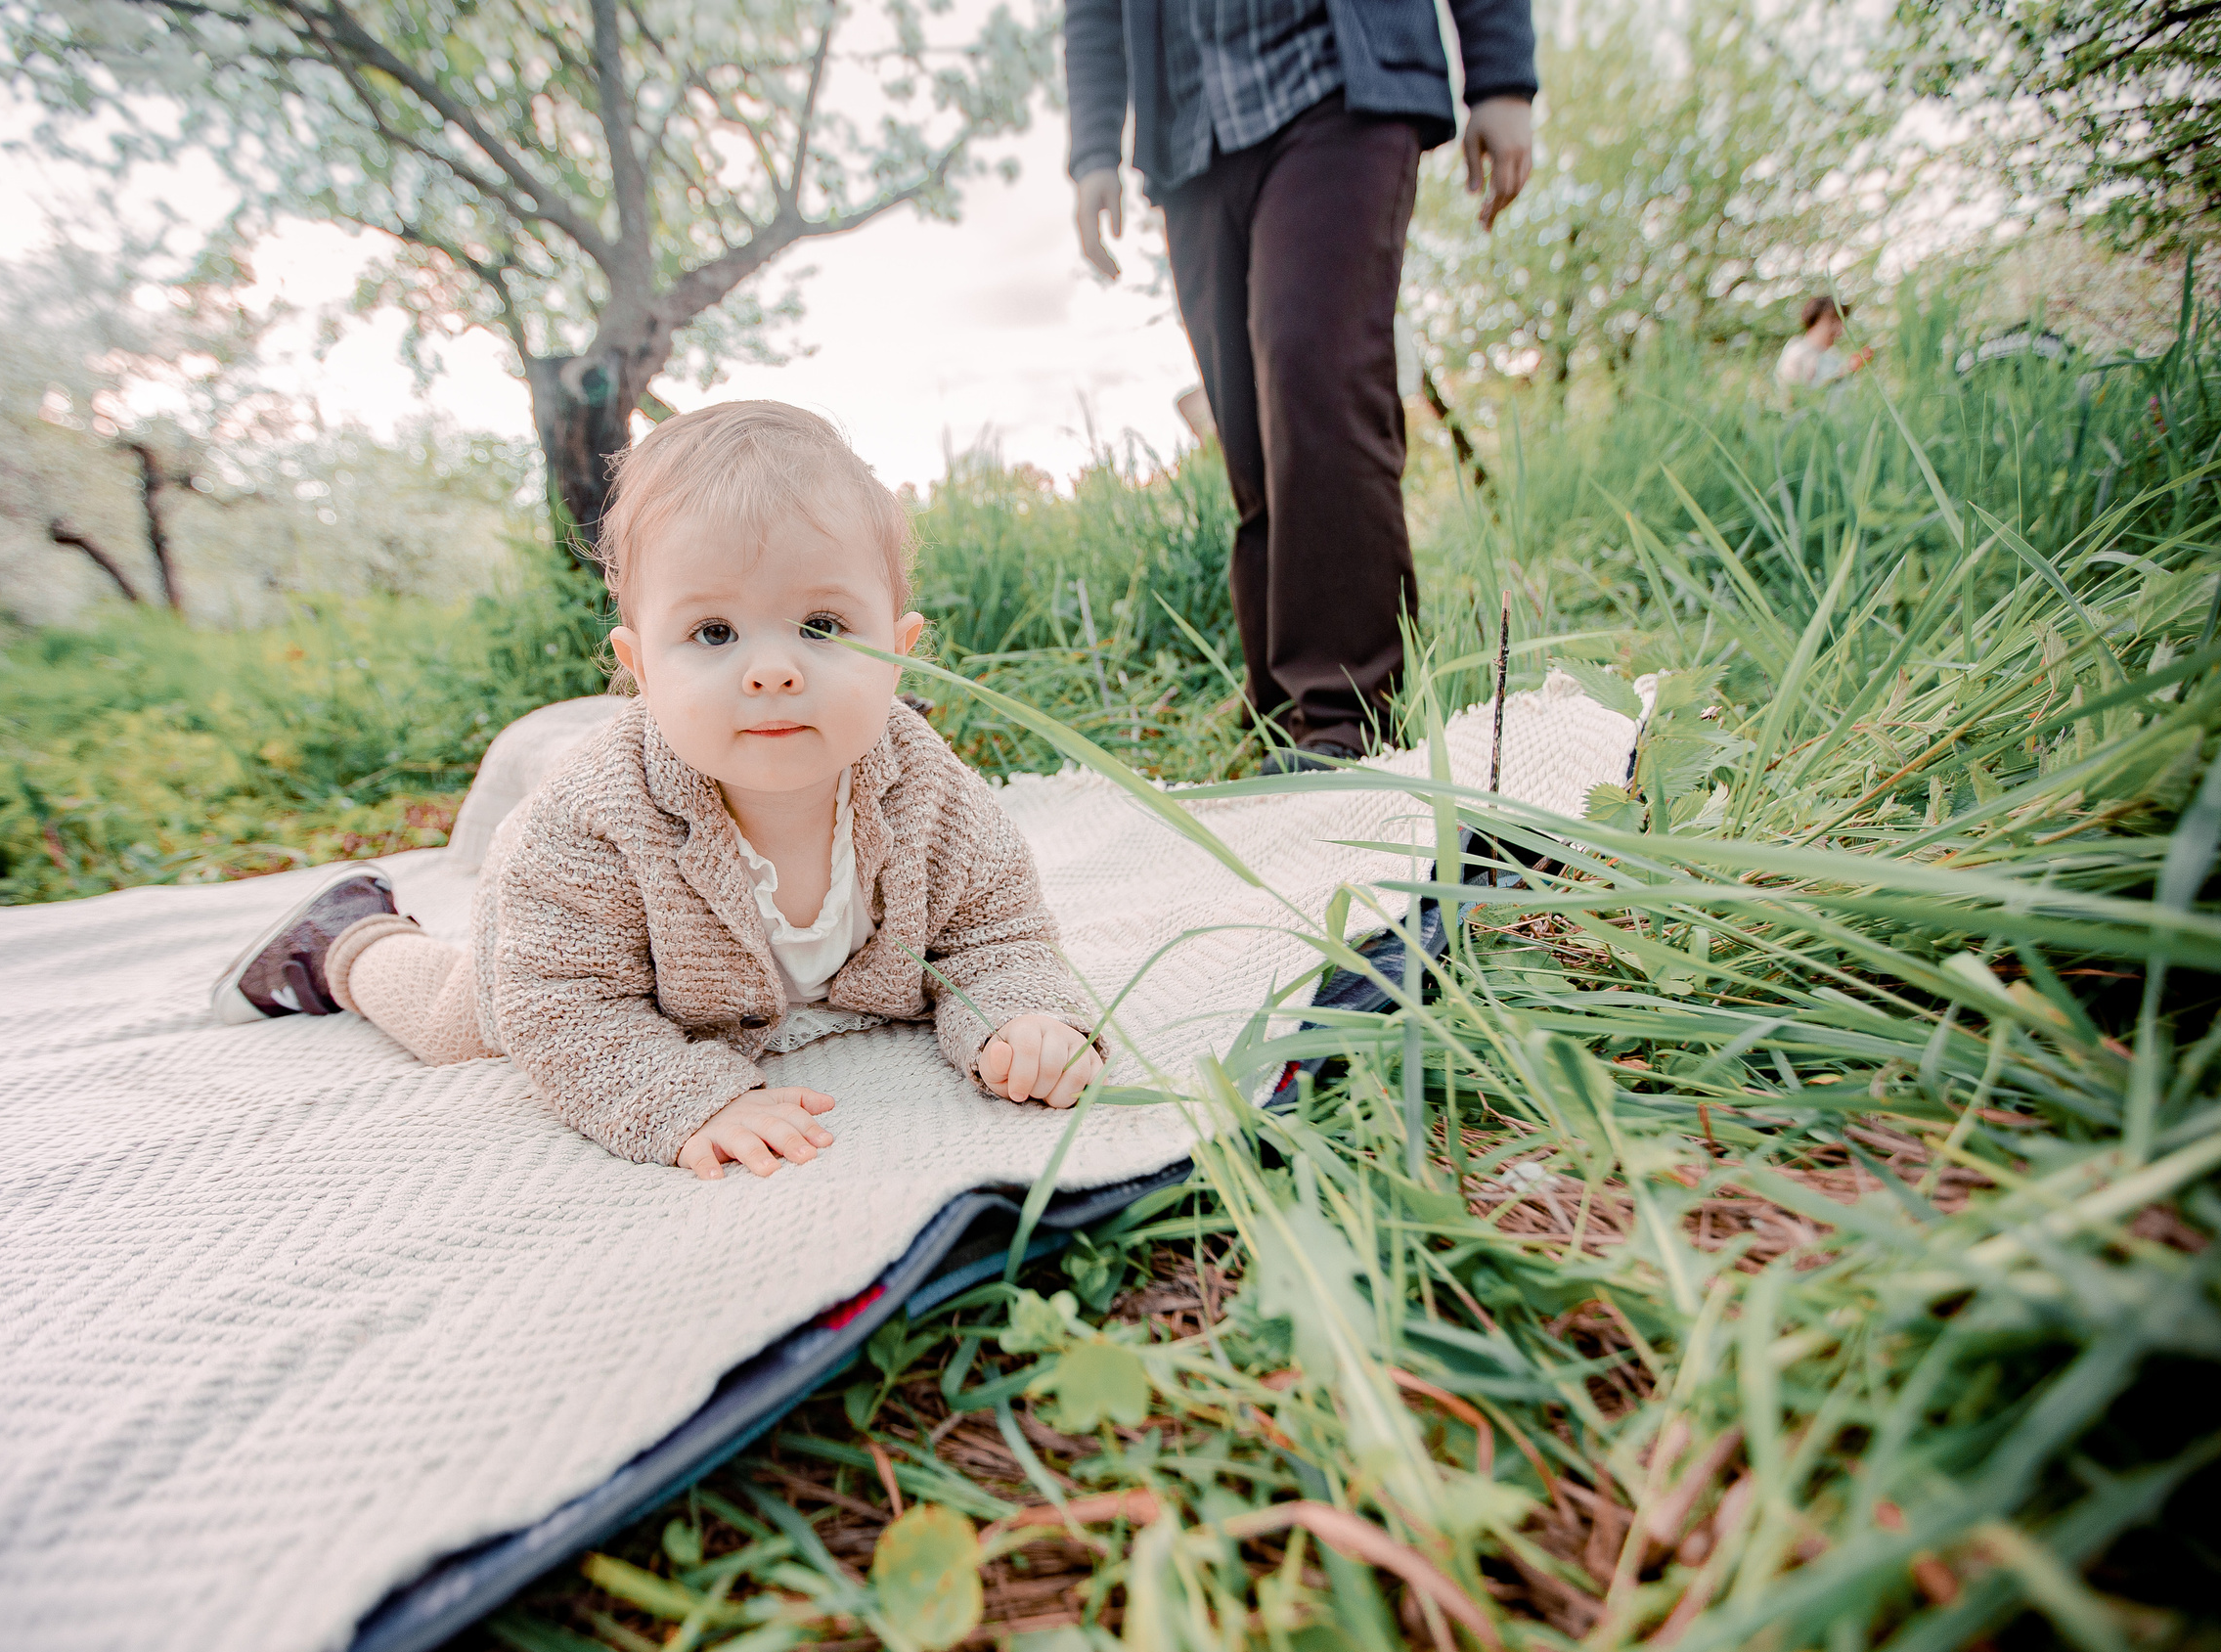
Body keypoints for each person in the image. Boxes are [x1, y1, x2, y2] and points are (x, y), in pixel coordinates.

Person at [207, 402, 1105, 1179]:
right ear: (640, 669)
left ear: (900, 649)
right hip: (549, 945)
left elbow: (991, 930)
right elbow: (557, 1007)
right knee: (461, 1026)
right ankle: (346, 939)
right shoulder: (594, 819)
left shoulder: (926, 788)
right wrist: (684, 1100)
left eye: (822, 625)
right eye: (714, 631)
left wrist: (1019, 1017)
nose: (773, 670)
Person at [1067, 0, 1537, 771]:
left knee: (1312, 375)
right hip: (1192, 133)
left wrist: (1501, 76)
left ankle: (1349, 716)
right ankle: (1283, 712)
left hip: (1336, 83)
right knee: (1245, 426)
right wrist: (1092, 149)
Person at [1776, 295, 1873, 396]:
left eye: (1841, 322)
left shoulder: (1833, 357)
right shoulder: (1797, 350)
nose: (1839, 330)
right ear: (1817, 319)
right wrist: (1848, 370)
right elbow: (1798, 395)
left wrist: (1851, 369)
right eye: (1833, 320)